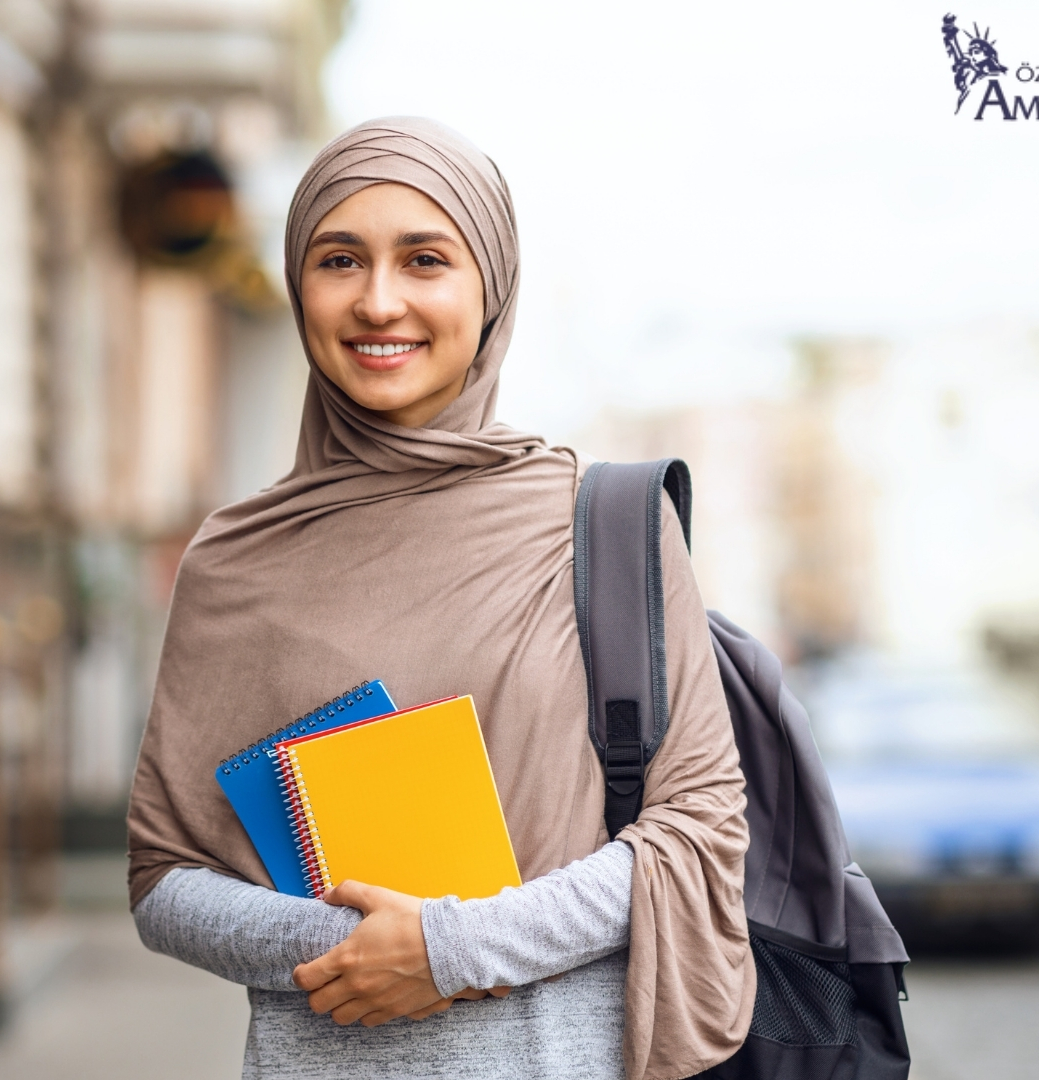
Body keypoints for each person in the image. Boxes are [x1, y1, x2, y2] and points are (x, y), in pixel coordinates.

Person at [128, 117, 754, 1080]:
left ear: (490, 287)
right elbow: (163, 881)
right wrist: (351, 948)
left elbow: (697, 825)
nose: (380, 302)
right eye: (340, 260)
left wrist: (449, 950)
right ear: (299, 287)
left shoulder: (603, 525)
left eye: (425, 260)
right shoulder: (235, 558)